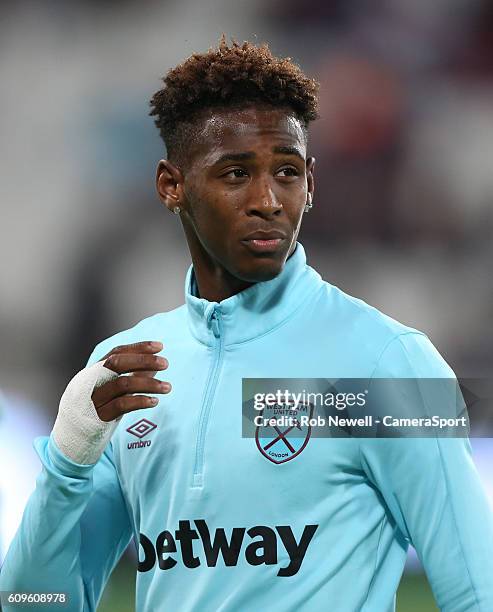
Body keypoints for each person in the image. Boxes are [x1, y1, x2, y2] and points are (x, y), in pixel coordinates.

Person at [1, 38, 492, 612]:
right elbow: (34, 601)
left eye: (287, 172)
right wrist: (68, 460)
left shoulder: (386, 362)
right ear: (171, 185)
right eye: (235, 173)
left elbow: (478, 590)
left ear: (310, 182)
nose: (268, 200)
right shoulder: (126, 370)